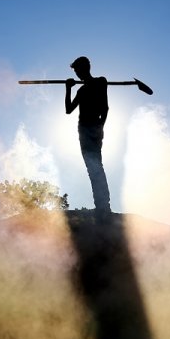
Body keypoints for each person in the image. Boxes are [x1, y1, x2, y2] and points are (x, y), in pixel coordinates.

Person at [65, 56, 111, 219]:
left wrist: (101, 126)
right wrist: (68, 88)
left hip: (94, 128)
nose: (77, 74)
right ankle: (101, 205)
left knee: (96, 165)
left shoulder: (100, 82)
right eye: (76, 72)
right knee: (92, 167)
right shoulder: (81, 90)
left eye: (78, 70)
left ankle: (104, 205)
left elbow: (105, 108)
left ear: (86, 68)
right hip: (83, 130)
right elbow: (69, 109)